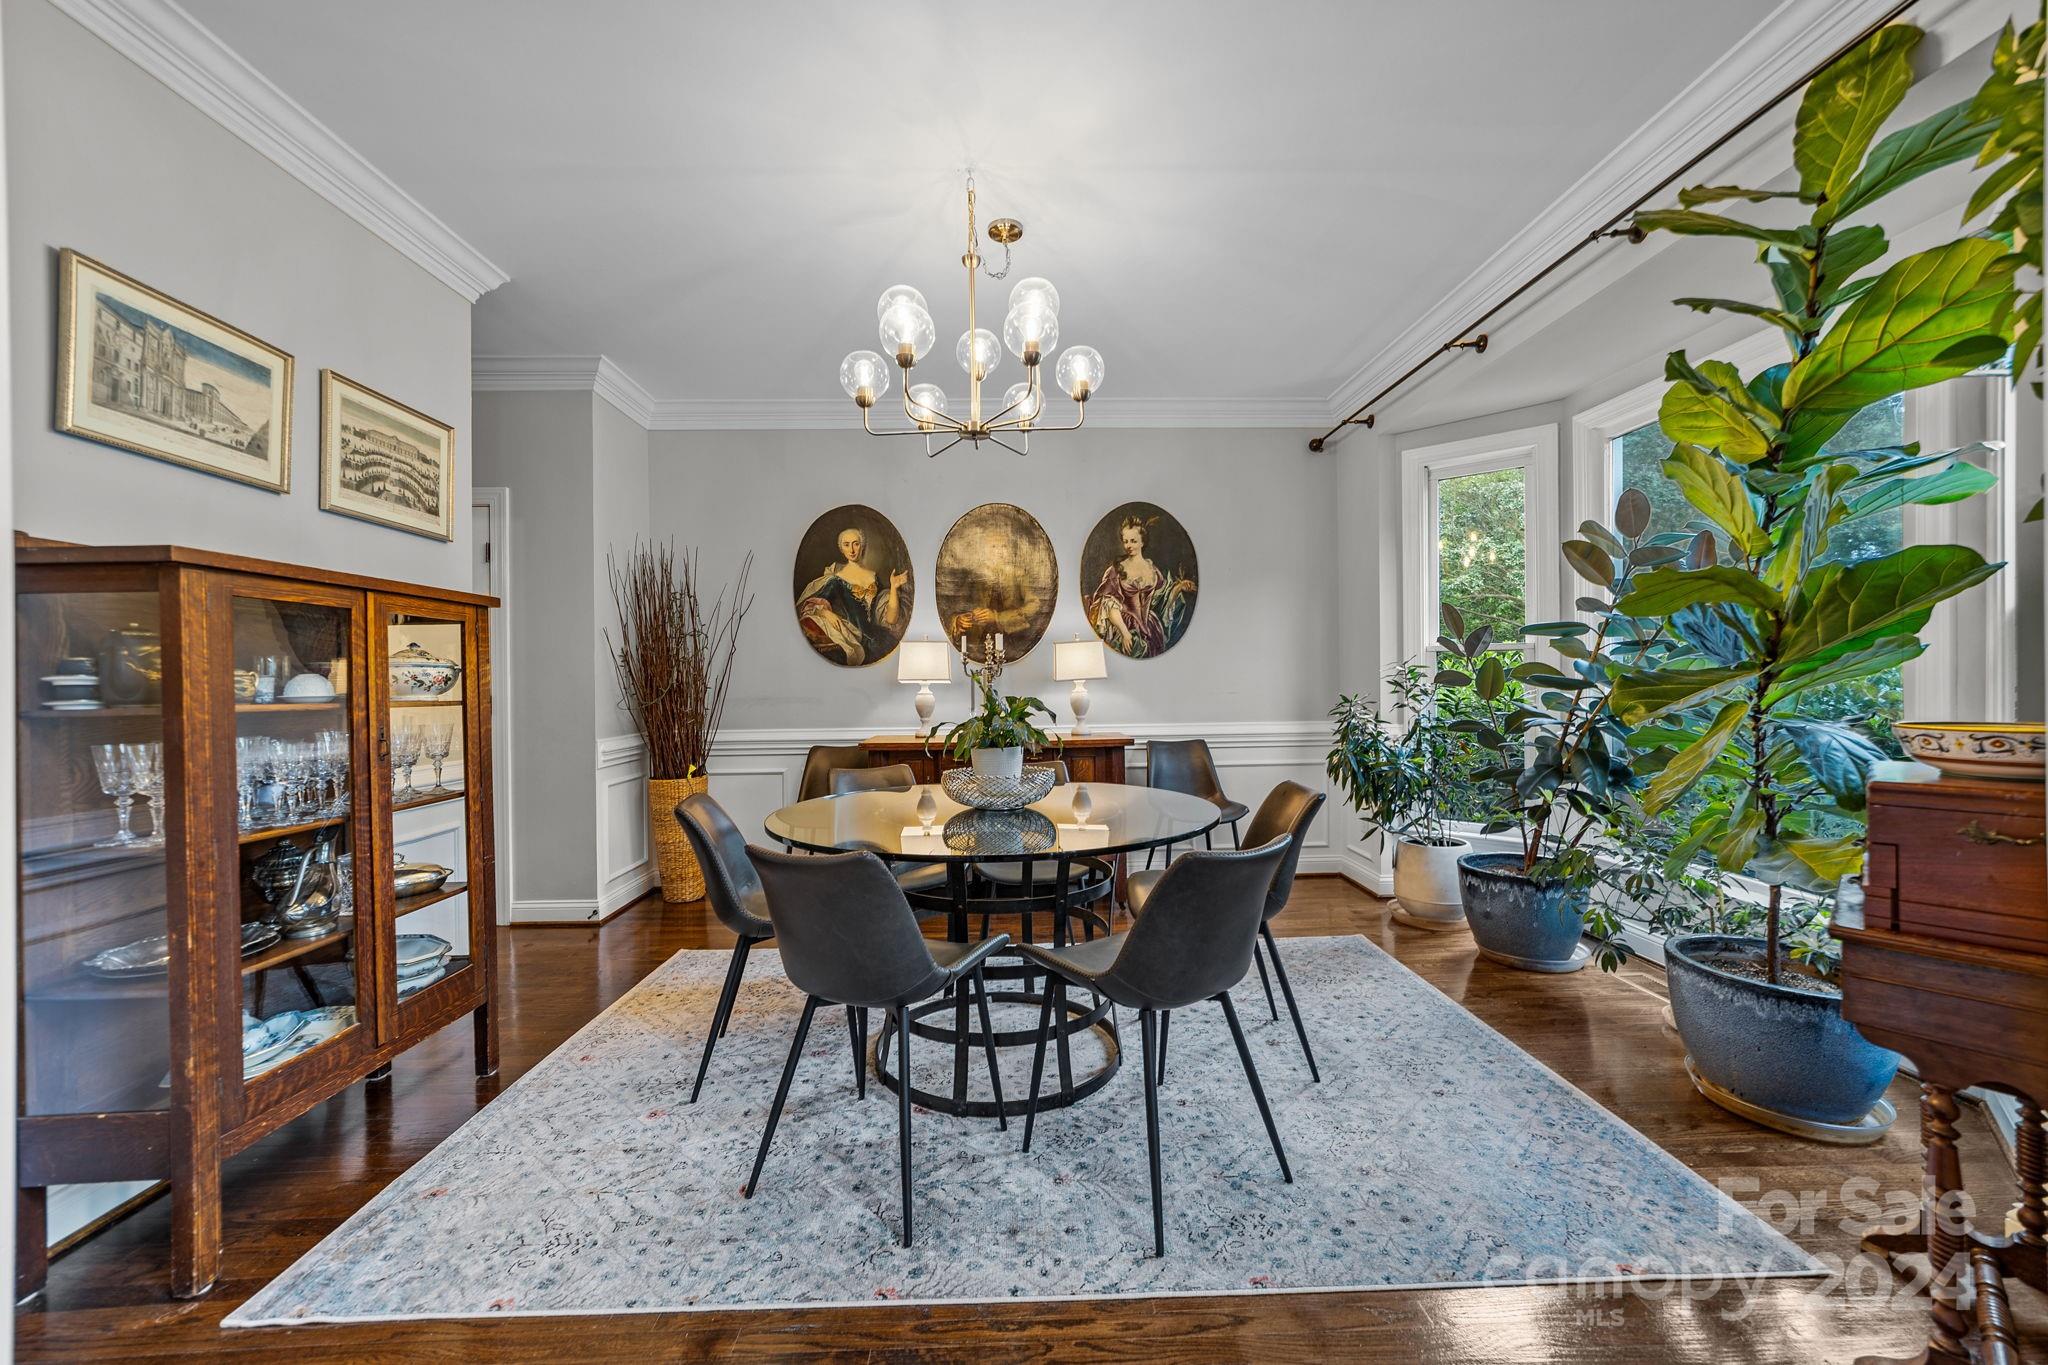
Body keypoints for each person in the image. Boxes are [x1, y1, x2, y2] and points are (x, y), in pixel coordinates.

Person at [1086, 514, 1194, 658]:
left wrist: (1178, 588)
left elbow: (1161, 601)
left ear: (1142, 542)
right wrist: (1125, 633)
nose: (1128, 546)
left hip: (1151, 629)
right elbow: (1107, 603)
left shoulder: (1153, 570)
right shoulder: (1116, 570)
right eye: (1125, 541)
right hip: (1124, 627)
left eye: (1133, 541)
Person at [797, 526, 908, 665]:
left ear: (862, 546)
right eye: (846, 545)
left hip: (880, 639)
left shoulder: (874, 577)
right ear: (841, 549)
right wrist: (826, 612)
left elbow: (891, 619)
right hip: (857, 640)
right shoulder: (836, 580)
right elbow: (813, 606)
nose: (852, 549)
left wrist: (893, 587)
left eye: (856, 543)